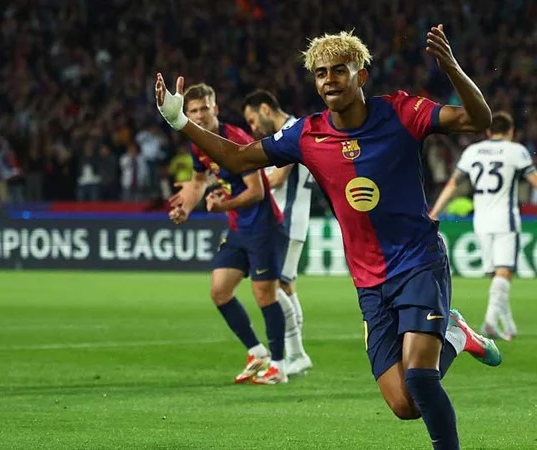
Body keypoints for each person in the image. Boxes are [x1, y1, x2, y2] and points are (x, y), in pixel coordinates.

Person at [156, 27, 502, 450]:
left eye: (340, 70)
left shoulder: (401, 111)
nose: (329, 80)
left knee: (421, 379)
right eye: (321, 73)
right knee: (403, 404)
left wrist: (451, 68)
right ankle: (456, 334)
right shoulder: (307, 134)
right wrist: (180, 122)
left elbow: (479, 119)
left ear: (361, 75)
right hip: (369, 280)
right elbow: (238, 157)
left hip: (418, 261)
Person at [168, 82, 290, 385]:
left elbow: (257, 191)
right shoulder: (197, 143)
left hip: (263, 227)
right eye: (192, 111)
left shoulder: (235, 140)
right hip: (238, 228)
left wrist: (223, 206)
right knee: (219, 290)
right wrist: (186, 208)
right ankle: (257, 352)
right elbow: (198, 182)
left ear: (215, 108)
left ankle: (279, 366)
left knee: (264, 295)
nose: (199, 116)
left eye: (204, 109)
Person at [429, 112, 537, 341]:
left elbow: (452, 184)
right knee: (504, 272)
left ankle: (508, 326)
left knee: (497, 275)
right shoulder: (515, 151)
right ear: (511, 131)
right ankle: (490, 322)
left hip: (481, 221)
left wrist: (435, 211)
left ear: (489, 131)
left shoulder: (473, 151)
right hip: (505, 220)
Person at [241, 89, 313, 376]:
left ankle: (296, 353)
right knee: (285, 285)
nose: (253, 128)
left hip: (287, 219)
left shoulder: (291, 130)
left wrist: (246, 187)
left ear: (265, 109)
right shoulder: (292, 130)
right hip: (292, 219)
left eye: (252, 120)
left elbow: (280, 177)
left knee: (273, 287)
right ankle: (296, 354)